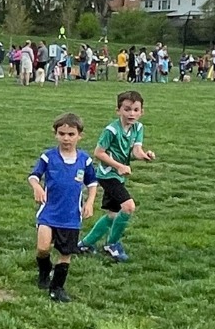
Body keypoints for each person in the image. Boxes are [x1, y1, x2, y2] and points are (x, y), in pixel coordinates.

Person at [77, 90, 155, 261]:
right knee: (128, 207)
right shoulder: (111, 130)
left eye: (135, 110)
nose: (131, 113)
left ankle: (85, 244)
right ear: (118, 110)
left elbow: (136, 151)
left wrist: (145, 156)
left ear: (142, 112)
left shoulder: (138, 128)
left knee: (113, 215)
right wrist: (119, 166)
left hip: (118, 175)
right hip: (107, 175)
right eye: (127, 109)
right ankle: (112, 244)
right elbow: (98, 152)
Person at [28, 112, 98, 303]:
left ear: (79, 135)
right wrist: (37, 187)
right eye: (62, 134)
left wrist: (90, 202)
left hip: (71, 216)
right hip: (49, 212)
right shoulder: (48, 157)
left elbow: (92, 183)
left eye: (71, 134)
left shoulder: (85, 160)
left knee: (65, 253)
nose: (66, 138)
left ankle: (57, 288)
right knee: (42, 248)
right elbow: (34, 175)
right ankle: (44, 270)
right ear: (56, 134)